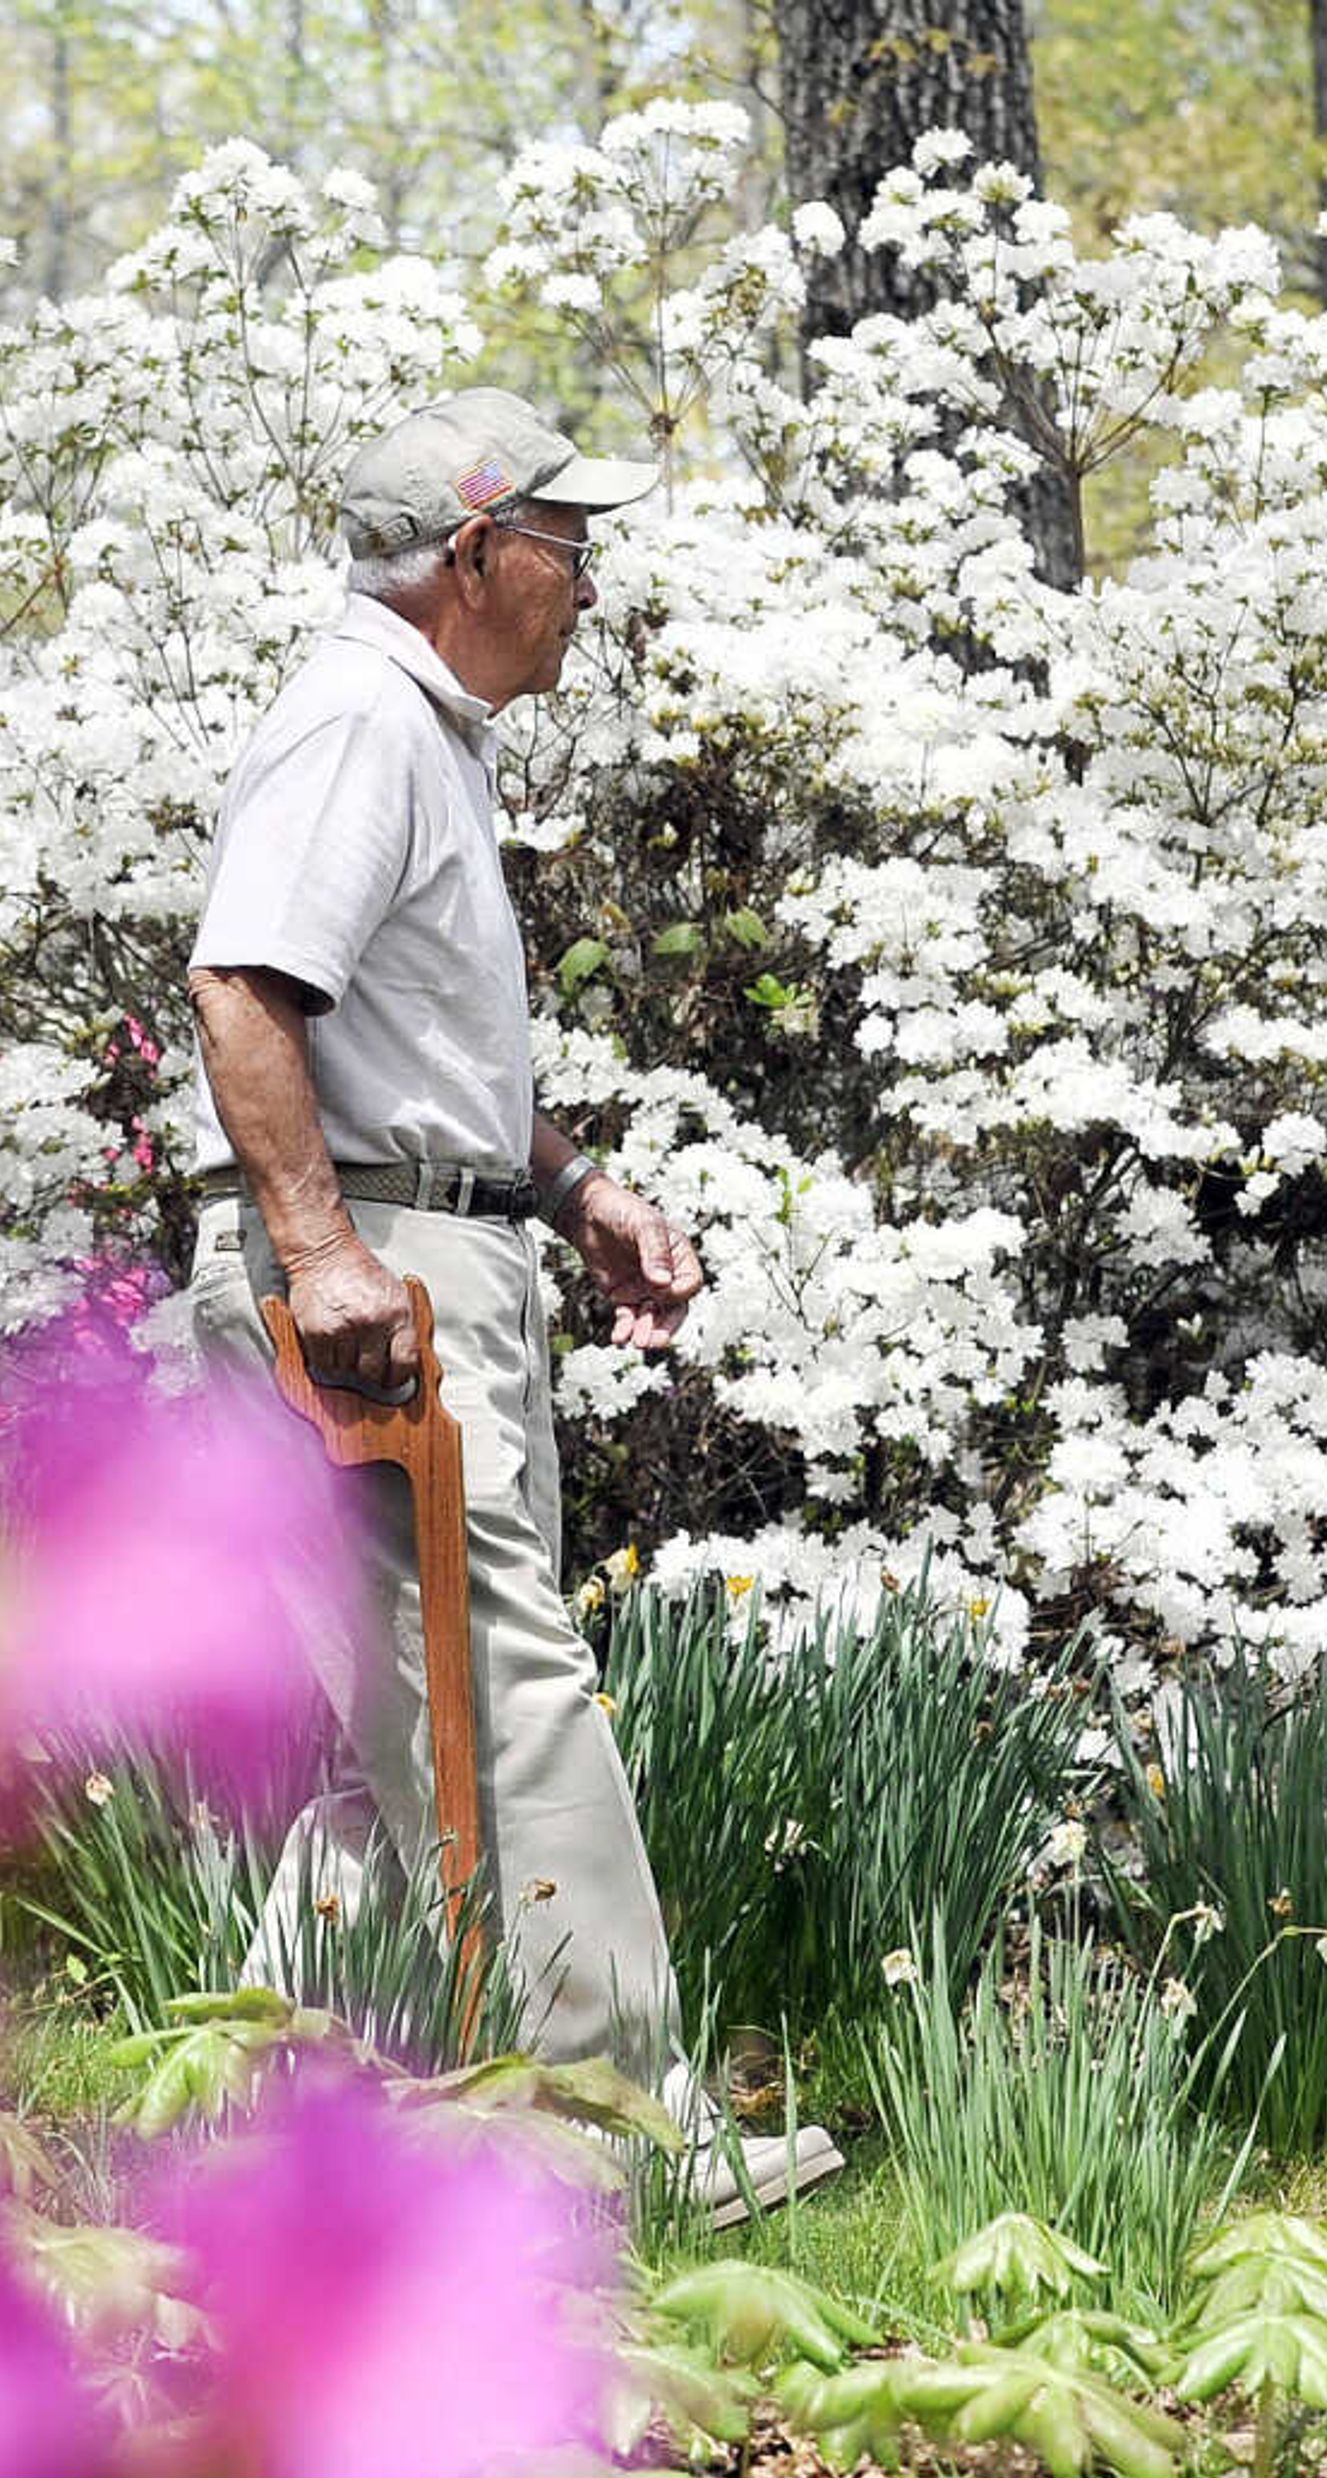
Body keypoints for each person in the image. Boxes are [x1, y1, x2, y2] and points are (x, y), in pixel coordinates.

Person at [177, 387, 840, 2225]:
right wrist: (322, 1255)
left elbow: (408, 1043)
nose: (589, 585)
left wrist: (575, 1190)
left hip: (427, 1237)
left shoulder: (424, 734)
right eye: (569, 545)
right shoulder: (362, 722)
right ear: (475, 552)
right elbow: (246, 989)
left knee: (402, 1714)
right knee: (500, 1686)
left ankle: (310, 2123)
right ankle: (623, 2136)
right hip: (376, 1265)